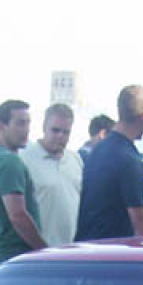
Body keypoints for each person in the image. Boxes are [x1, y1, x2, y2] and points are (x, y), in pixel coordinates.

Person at [74, 86, 143, 241]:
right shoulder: (129, 160)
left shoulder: (97, 150)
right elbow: (142, 225)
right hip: (113, 253)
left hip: (87, 248)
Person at [0, 99, 46, 266]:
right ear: (2, 126)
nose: (26, 130)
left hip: (2, 257)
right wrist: (43, 250)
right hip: (16, 255)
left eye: (28, 123)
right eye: (20, 124)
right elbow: (17, 215)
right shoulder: (8, 161)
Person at [20, 103, 83, 246]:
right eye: (55, 130)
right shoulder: (25, 160)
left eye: (65, 132)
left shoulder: (75, 159)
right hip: (39, 249)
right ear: (44, 127)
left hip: (71, 249)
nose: (60, 136)